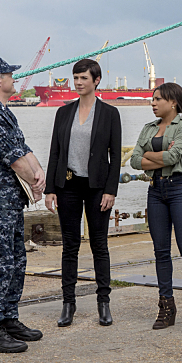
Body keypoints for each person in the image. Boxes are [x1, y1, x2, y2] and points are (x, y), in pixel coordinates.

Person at [0, 57, 47, 354]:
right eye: (10, 75)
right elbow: (14, 159)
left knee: (15, 262)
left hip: (10, 201)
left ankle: (8, 318)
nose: (14, 79)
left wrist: (38, 172)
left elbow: (24, 149)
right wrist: (36, 182)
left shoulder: (4, 112)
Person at [44, 59, 122, 328]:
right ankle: (68, 303)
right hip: (68, 186)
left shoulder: (110, 114)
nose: (78, 83)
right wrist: (50, 189)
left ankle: (104, 302)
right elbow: (55, 152)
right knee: (70, 246)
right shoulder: (63, 113)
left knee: (99, 245)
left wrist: (111, 190)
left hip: (98, 187)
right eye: (75, 78)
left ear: (96, 81)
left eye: (83, 78)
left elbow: (115, 156)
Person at [130, 82, 182, 333]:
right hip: (156, 191)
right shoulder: (148, 128)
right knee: (161, 251)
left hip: (180, 190)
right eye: (152, 99)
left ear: (173, 102)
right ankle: (166, 307)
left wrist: (148, 156)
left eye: (158, 99)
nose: (152, 103)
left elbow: (173, 159)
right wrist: (161, 155)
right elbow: (133, 161)